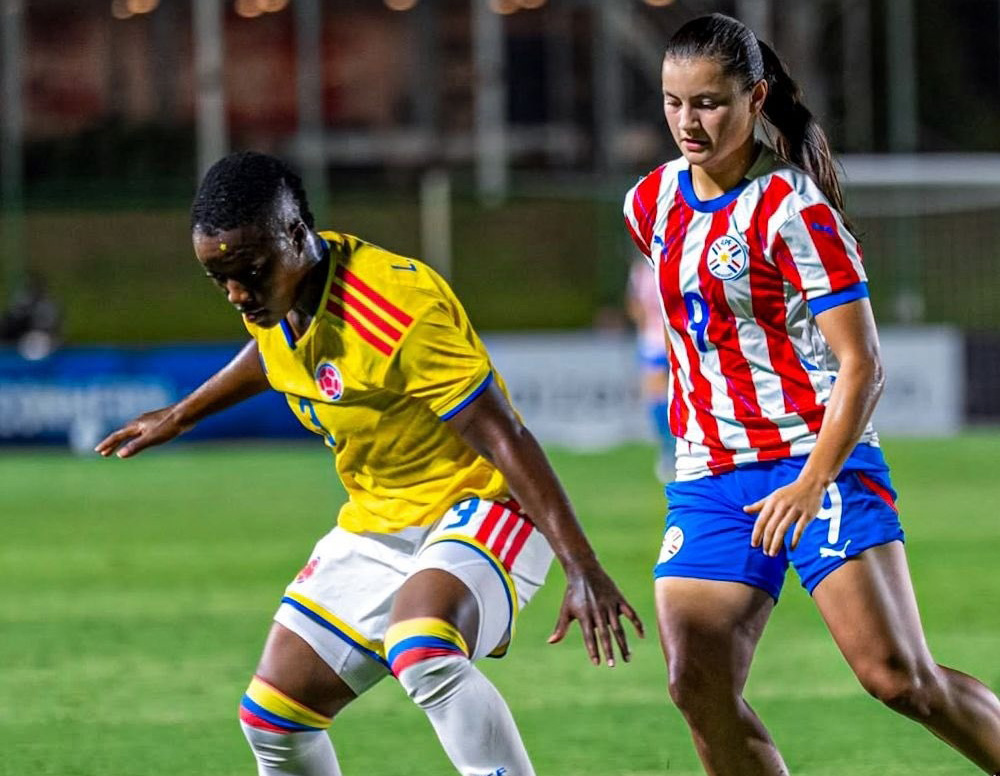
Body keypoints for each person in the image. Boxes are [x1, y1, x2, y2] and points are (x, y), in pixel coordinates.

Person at [98, 151, 643, 776]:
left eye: (249, 273)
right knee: (274, 720)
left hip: (485, 505)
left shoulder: (395, 308)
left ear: (296, 235)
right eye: (219, 279)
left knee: (423, 649)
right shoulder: (281, 291)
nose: (238, 295)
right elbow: (270, 350)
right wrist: (181, 414)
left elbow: (503, 438)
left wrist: (581, 566)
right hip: (379, 521)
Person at [623, 13, 1000, 775]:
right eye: (673, 102)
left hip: (813, 459)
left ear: (755, 98)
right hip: (709, 474)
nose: (688, 122)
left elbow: (863, 363)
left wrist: (813, 479)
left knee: (898, 679)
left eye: (709, 103)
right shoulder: (650, 202)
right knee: (696, 684)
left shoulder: (794, 208)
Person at [625, 256, 674, 482]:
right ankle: (667, 449)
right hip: (653, 341)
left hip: (679, 339)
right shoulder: (640, 271)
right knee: (657, 397)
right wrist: (644, 329)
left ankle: (682, 445)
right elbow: (634, 304)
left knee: (682, 394)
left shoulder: (673, 258)